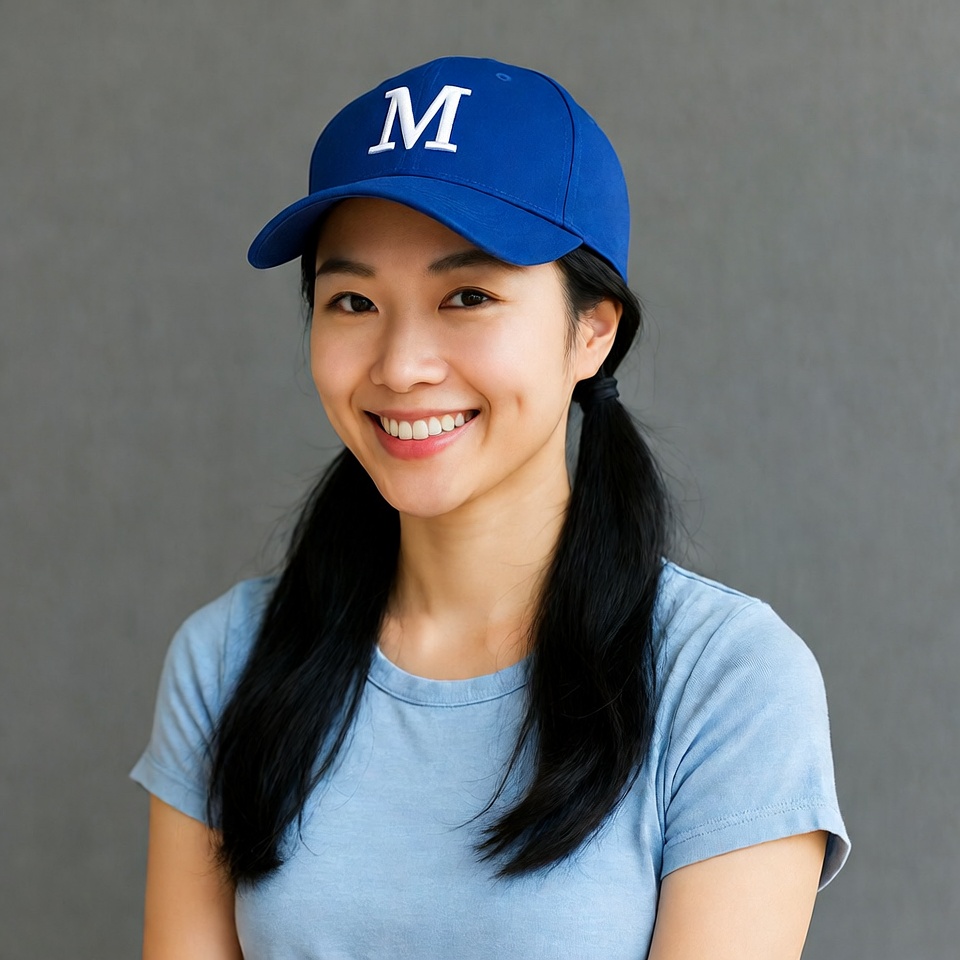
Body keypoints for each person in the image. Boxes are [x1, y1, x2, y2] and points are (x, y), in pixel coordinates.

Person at [131, 56, 849, 959]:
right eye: (353, 300)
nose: (401, 366)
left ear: (593, 331)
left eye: (467, 296)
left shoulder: (728, 682)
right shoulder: (227, 660)